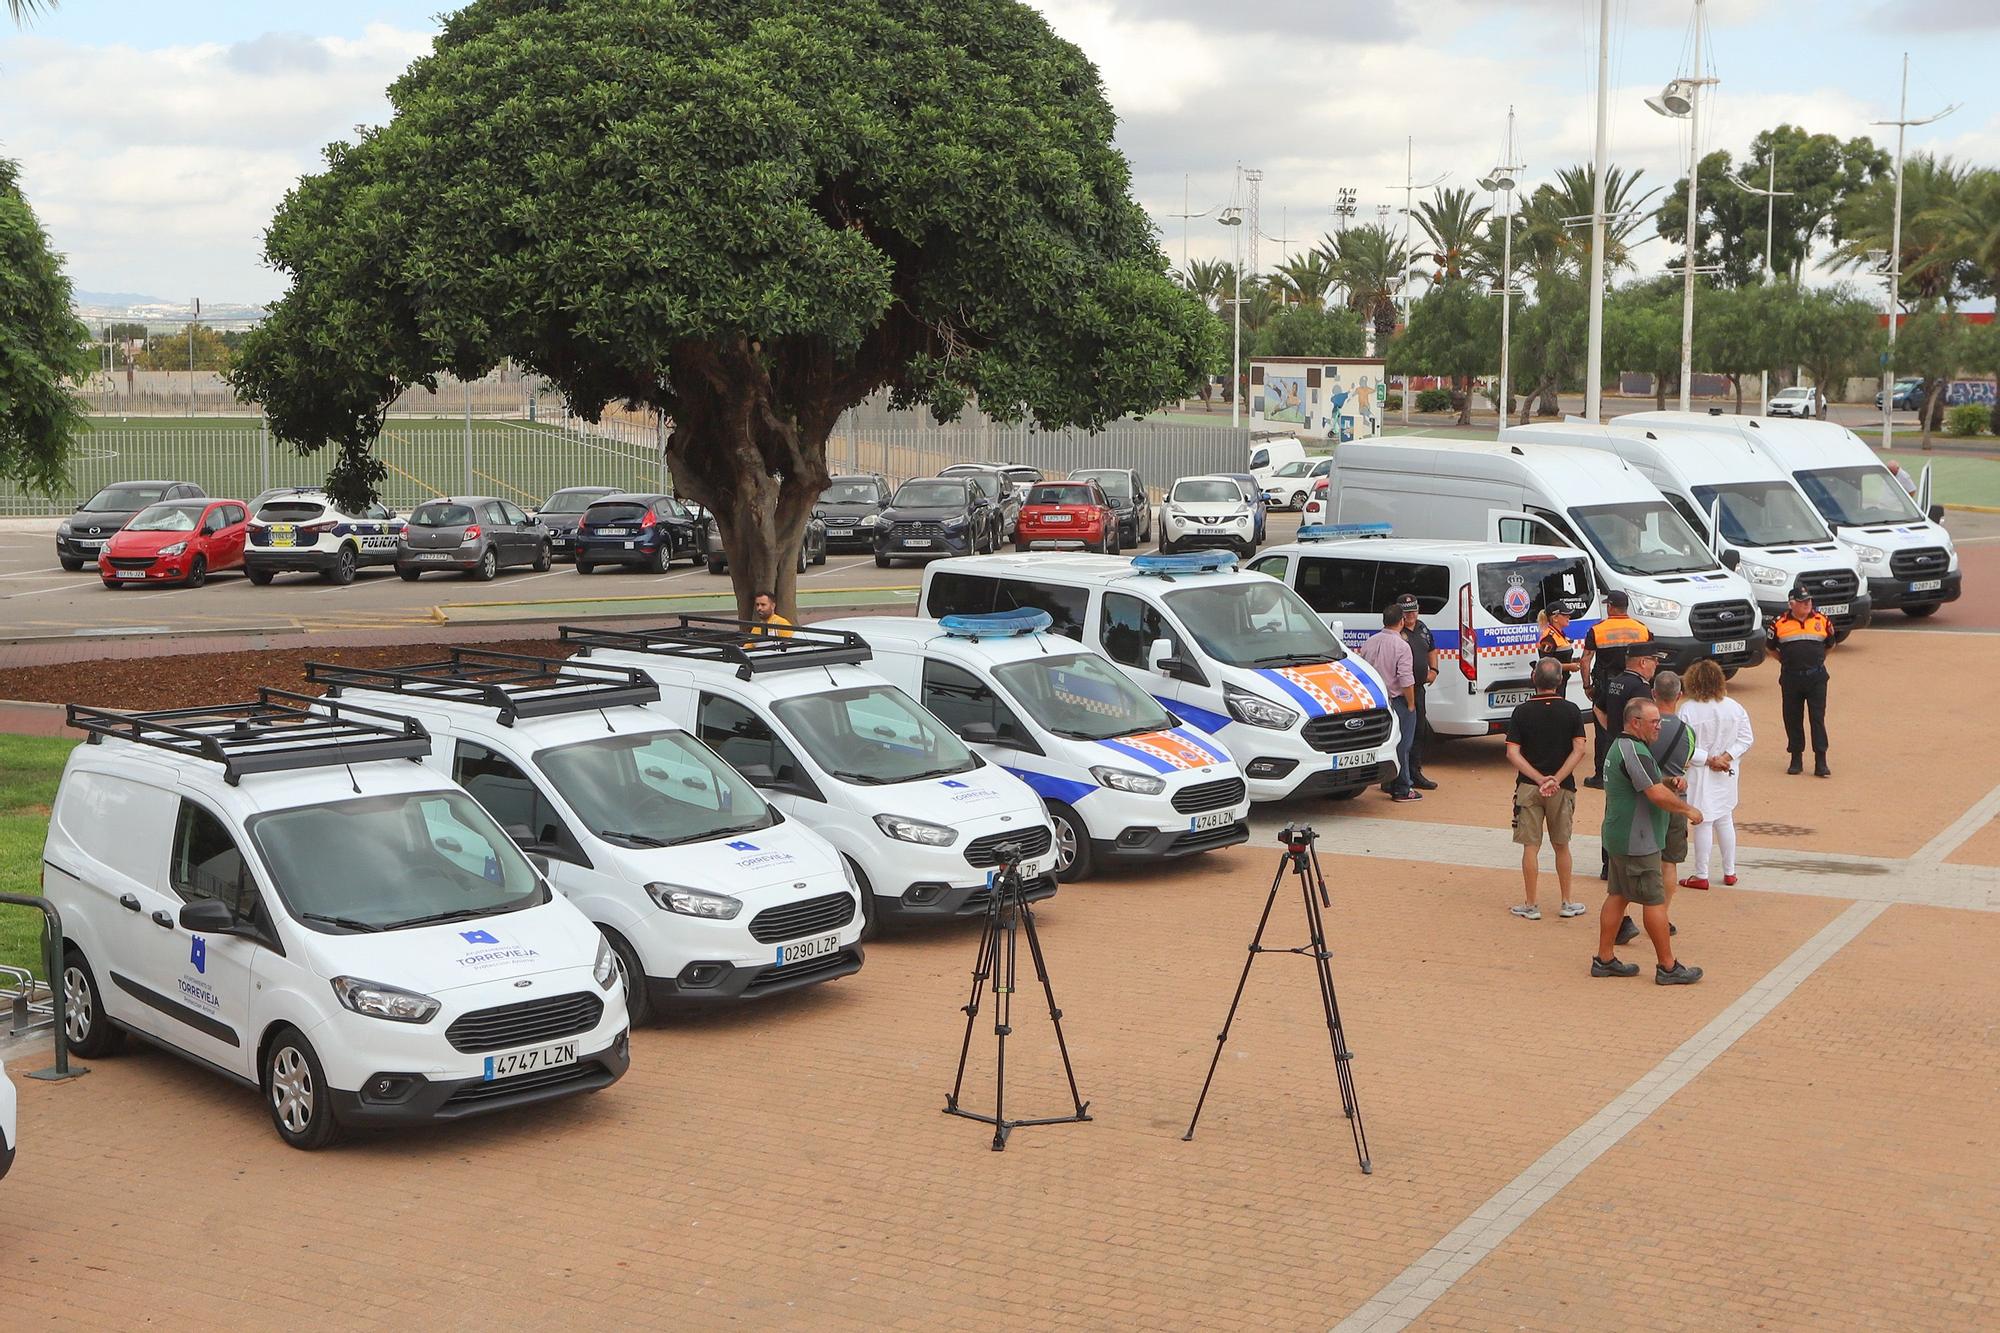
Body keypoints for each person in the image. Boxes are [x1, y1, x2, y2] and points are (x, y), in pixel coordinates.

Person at [1593, 696, 1705, 985]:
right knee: (1654, 901)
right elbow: (1653, 795)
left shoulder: (1624, 746)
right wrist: (1687, 808)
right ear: (1635, 722)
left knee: (1618, 895)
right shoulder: (1635, 750)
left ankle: (1604, 959)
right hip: (1637, 840)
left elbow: (1647, 784)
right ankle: (1668, 967)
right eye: (1653, 722)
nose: (1659, 726)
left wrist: (1668, 782)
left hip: (1621, 836)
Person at [1613, 670, 1695, 945]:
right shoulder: (1687, 732)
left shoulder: (1632, 741)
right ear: (1679, 695)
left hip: (1636, 810)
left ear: (1654, 693)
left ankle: (1624, 925)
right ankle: (1663, 917)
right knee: (1668, 862)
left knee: (1623, 879)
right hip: (1670, 803)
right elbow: (1686, 762)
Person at [1504, 658, 1589, 921]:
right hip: (1563, 789)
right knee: (1562, 844)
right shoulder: (1572, 711)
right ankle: (1566, 901)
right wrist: (1557, 778)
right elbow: (1580, 748)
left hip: (1529, 788)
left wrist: (1539, 779)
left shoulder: (1521, 712)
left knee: (1530, 846)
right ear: (1560, 681)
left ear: (1534, 680)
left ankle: (1531, 903)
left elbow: (1512, 752)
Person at [1677, 659, 1754, 890]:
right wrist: (1726, 757)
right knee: (1725, 817)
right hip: (1727, 772)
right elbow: (1746, 738)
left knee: (1702, 821)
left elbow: (1683, 745)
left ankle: (1701, 874)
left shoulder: (1688, 710)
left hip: (1700, 772)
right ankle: (1730, 871)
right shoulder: (1734, 707)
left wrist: (1708, 759)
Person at [1579, 590, 1652, 788]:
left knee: (1604, 730)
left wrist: (1587, 686)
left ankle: (1602, 775)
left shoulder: (1598, 630)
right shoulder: (1641, 628)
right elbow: (1651, 658)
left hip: (1607, 685)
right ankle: (1637, 772)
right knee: (1637, 725)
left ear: (1610, 606)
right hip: (1635, 683)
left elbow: (1585, 660)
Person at [1768, 584, 1833, 777]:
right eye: (1803, 601)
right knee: (1792, 718)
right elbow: (1770, 647)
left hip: (1816, 677)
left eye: (1809, 601)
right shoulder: (1778, 623)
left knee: (1817, 719)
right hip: (1791, 678)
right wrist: (1787, 662)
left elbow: (1830, 644)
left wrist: (1817, 661)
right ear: (1792, 603)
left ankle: (1821, 761)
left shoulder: (1822, 620)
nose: (1807, 604)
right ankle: (1796, 758)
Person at [1356, 605, 1420, 802]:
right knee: (1402, 744)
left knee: (1385, 742)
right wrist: (1411, 703)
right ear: (1401, 621)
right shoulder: (1402, 646)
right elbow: (1405, 679)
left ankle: (1388, 782)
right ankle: (1402, 788)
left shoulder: (1370, 642)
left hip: (1376, 701)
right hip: (1397, 700)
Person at [1398, 593, 1439, 790]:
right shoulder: (1396, 631)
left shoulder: (1423, 628)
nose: (1411, 614)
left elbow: (1432, 649)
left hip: (1419, 688)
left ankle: (1415, 771)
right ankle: (1398, 776)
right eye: (1406, 611)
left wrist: (1434, 670)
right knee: (1403, 733)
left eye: (1413, 610)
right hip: (1401, 690)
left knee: (1419, 731)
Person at [1536, 605, 1581, 699]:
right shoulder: (1549, 638)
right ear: (1555, 618)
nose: (1569, 617)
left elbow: (1558, 657)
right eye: (1565, 615)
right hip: (1551, 686)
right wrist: (1570, 666)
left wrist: (1572, 660)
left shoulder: (1559, 634)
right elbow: (1546, 666)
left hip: (1559, 681)